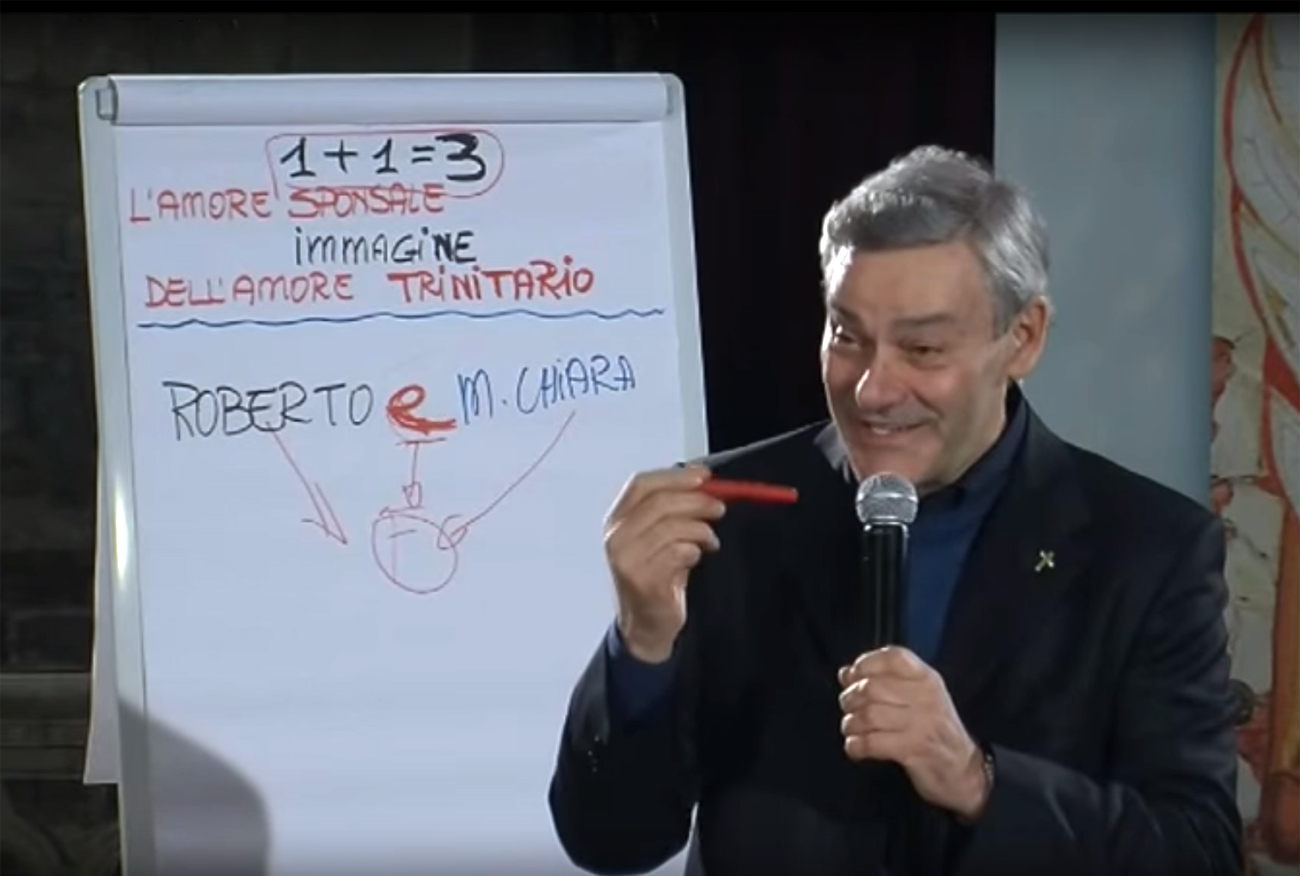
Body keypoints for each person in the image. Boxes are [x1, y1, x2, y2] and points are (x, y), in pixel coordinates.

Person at [547, 145, 1242, 876]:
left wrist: (978, 780)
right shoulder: (725, 511)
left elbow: (1197, 851)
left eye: (922, 348)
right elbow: (609, 842)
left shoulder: (1148, 549)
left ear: (1023, 338)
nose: (872, 390)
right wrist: (643, 642)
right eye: (847, 337)